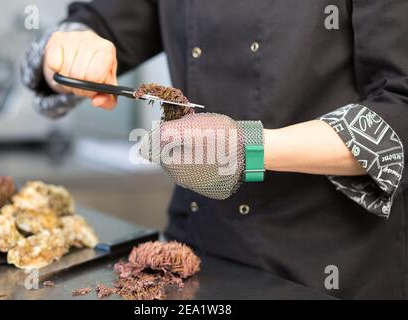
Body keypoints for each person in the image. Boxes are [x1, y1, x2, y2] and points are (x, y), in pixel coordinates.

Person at [21, 0, 408, 299]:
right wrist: (72, 45)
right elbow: (97, 24)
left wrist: (250, 149)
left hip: (327, 264)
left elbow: (400, 106)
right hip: (192, 257)